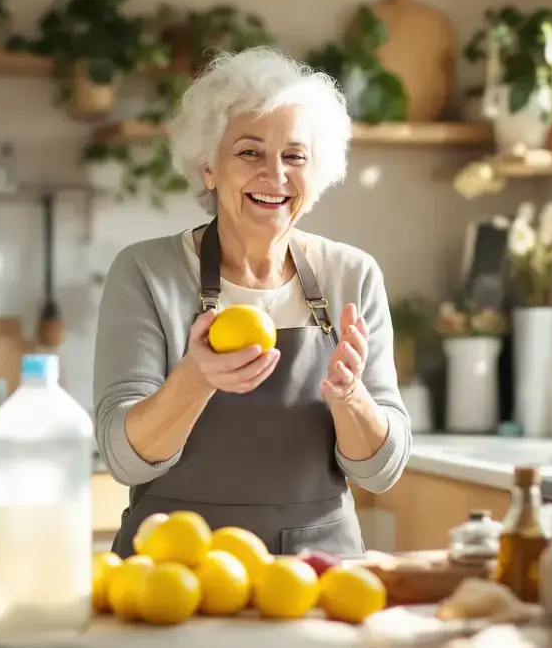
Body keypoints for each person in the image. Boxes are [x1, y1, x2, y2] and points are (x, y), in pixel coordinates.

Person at [93, 46, 412, 557]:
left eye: (295, 155)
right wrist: (195, 379)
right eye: (249, 152)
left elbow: (382, 471)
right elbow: (123, 459)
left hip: (318, 572)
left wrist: (351, 397)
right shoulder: (147, 273)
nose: (276, 175)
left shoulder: (352, 275)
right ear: (208, 167)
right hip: (176, 568)